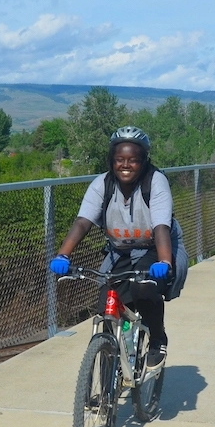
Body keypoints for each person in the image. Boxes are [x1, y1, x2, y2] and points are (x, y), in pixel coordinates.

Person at [49, 126, 173, 370]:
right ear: (111, 161)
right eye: (119, 160)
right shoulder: (102, 185)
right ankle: (106, 391)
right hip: (119, 251)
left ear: (144, 161)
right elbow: (82, 222)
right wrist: (63, 254)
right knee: (107, 304)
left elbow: (161, 226)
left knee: (143, 288)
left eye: (133, 160)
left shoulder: (155, 182)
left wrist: (165, 261)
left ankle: (158, 339)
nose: (125, 165)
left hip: (153, 248)